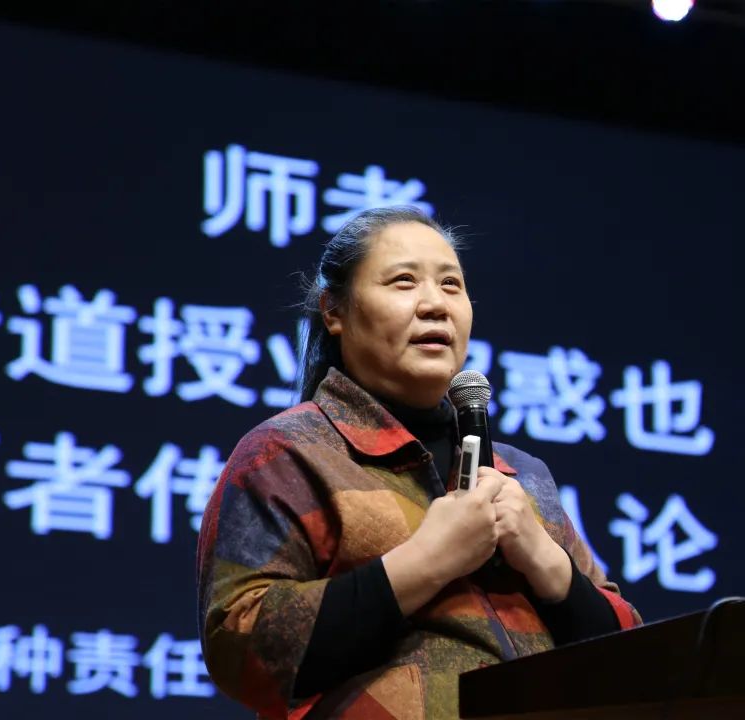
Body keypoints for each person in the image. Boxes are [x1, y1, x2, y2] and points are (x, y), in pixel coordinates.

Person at [196, 207, 641, 720]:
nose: (435, 304)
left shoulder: (524, 476)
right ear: (333, 311)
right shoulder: (288, 453)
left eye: (451, 284)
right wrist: (426, 561)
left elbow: (636, 658)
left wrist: (547, 562)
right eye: (404, 282)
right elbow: (239, 646)